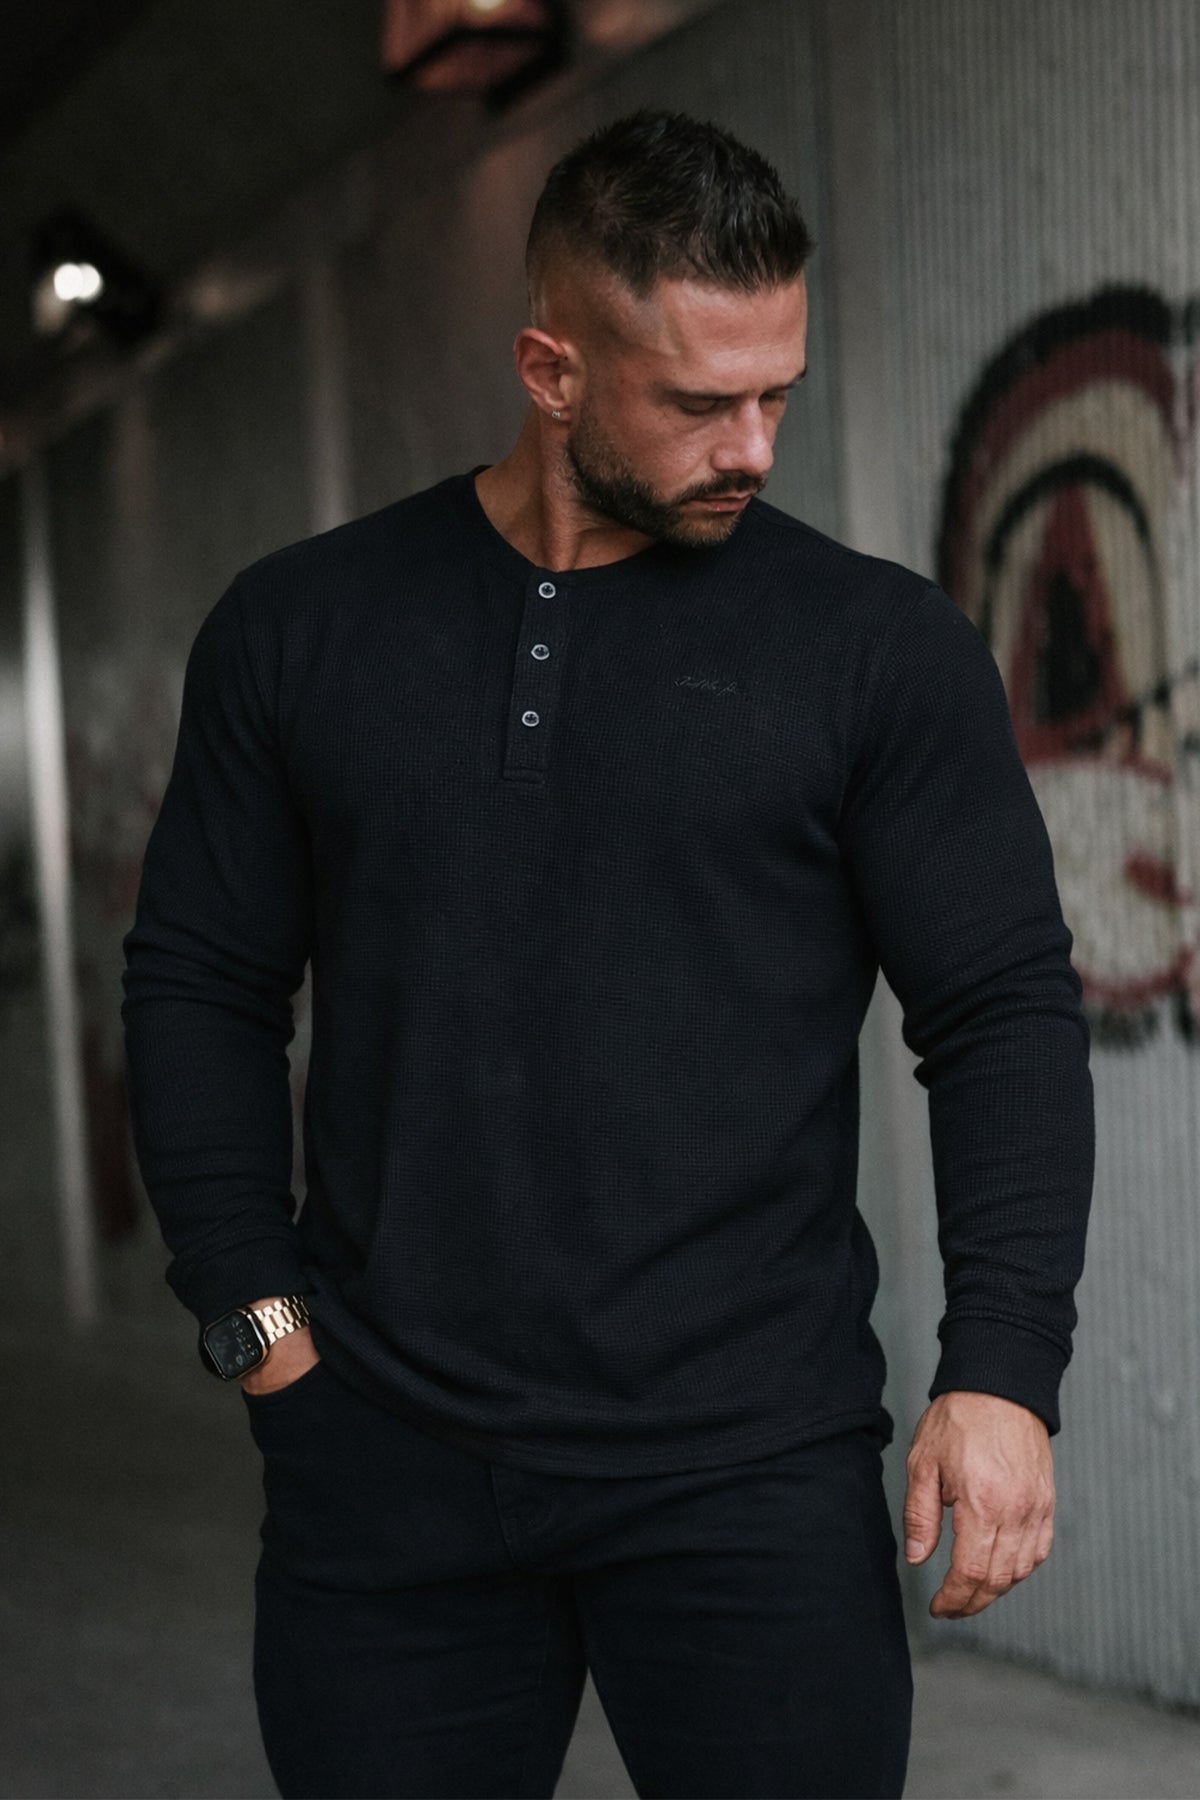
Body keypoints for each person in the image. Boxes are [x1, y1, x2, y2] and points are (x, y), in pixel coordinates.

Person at [121, 108, 1095, 1800]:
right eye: (701, 402)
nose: (754, 445)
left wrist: (1004, 1371)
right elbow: (199, 984)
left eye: (778, 392)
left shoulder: (873, 651)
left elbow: (1001, 1009)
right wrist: (258, 1319)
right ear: (551, 370)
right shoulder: (303, 629)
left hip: (752, 1471)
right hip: (387, 1467)